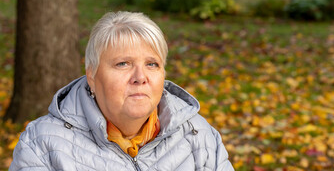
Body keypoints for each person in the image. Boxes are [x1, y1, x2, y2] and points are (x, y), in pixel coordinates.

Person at [10, 11, 234, 170]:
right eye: (123, 64)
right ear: (92, 76)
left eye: (152, 64)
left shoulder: (198, 135)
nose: (140, 78)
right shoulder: (42, 143)